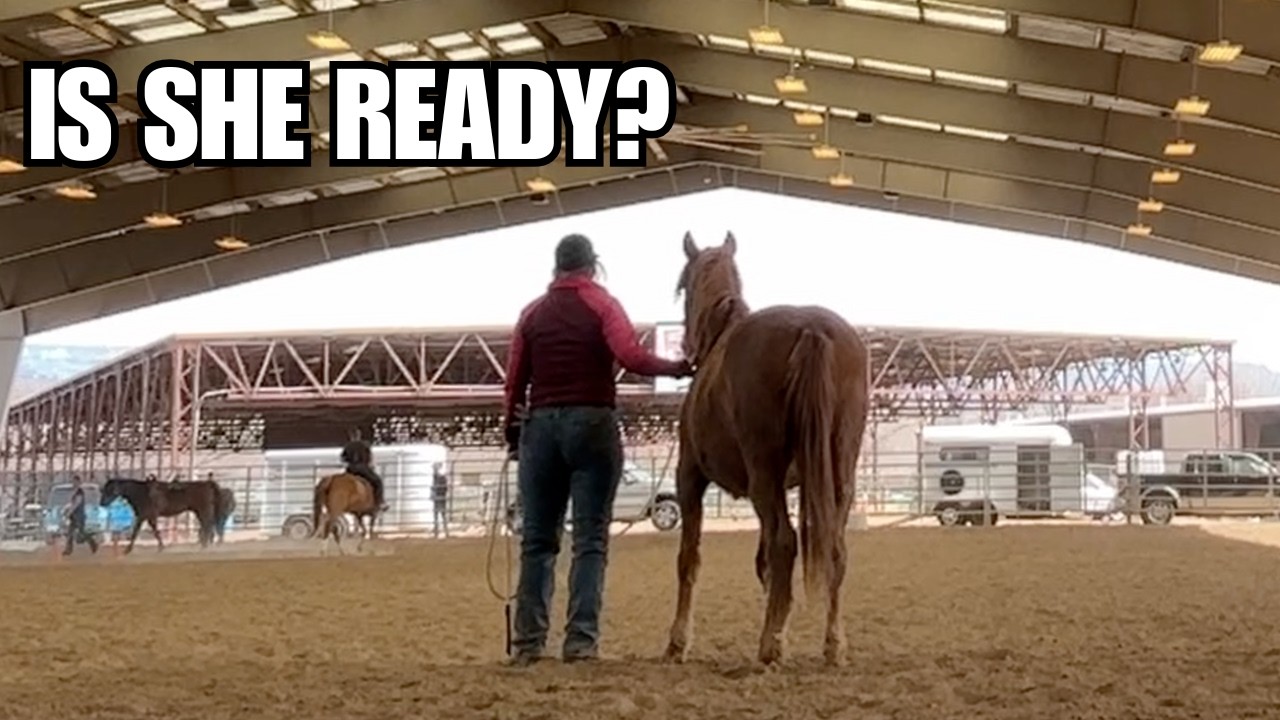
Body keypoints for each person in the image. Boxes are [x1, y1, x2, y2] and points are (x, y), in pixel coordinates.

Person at [503, 233, 693, 665]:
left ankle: (529, 645)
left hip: (542, 429)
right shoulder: (603, 304)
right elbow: (630, 355)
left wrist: (512, 433)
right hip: (592, 424)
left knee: (537, 541)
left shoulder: (531, 313)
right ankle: (580, 642)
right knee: (590, 541)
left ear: (556, 268)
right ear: (592, 266)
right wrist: (677, 368)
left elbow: (515, 381)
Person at [341, 437, 388, 513]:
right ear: (359, 435)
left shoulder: (348, 446)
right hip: (363, 469)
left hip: (350, 469)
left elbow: (343, 458)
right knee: (378, 481)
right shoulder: (364, 445)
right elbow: (369, 457)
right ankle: (380, 502)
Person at [62, 475, 99, 557]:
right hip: (74, 516)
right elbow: (72, 504)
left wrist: (69, 512)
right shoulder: (75, 493)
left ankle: (93, 543)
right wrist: (67, 510)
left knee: (81, 535)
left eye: (75, 482)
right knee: (70, 533)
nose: (73, 483)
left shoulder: (79, 492)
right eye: (73, 481)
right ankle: (68, 550)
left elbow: (77, 503)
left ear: (78, 482)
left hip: (79, 516)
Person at [431, 462, 449, 538]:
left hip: (439, 497)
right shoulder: (439, 478)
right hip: (440, 497)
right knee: (440, 515)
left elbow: (443, 488)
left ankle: (440, 531)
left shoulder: (439, 478)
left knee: (439, 515)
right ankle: (442, 531)